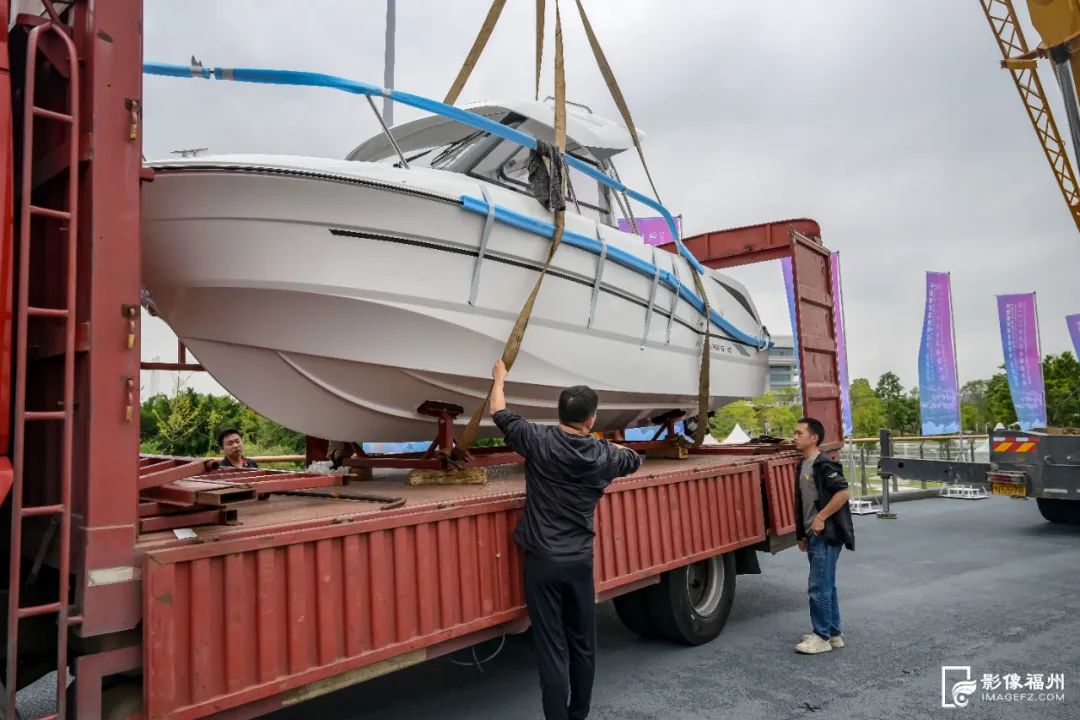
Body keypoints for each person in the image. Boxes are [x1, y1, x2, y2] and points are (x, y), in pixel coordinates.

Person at [489, 359, 641, 720]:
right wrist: (613, 448)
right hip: (578, 561)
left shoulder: (537, 439)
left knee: (551, 646)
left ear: (558, 413)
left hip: (542, 561)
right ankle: (579, 714)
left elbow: (499, 411)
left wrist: (499, 378)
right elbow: (634, 459)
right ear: (591, 420)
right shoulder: (603, 455)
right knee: (583, 645)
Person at [792, 417, 854, 655]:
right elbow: (802, 502)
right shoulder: (803, 464)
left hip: (827, 535)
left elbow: (843, 493)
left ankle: (821, 637)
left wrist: (820, 518)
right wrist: (801, 533)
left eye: (799, 433)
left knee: (818, 586)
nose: (794, 437)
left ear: (813, 438)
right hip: (813, 535)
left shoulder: (823, 464)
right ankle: (833, 633)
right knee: (827, 585)